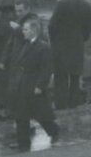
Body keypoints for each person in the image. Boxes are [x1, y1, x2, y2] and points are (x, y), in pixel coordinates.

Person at [6, 15, 61, 150]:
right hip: (23, 85)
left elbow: (46, 69)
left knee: (41, 114)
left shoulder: (43, 47)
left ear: (33, 31)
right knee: (21, 115)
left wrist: (40, 86)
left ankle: (53, 131)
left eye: (25, 30)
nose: (23, 32)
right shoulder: (27, 44)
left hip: (33, 85)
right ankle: (23, 142)